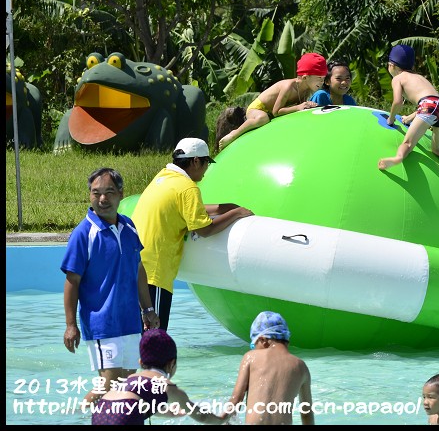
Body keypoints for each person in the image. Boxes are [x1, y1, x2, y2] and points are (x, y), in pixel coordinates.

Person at [132, 137, 254, 331]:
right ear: (196, 161)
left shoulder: (164, 178)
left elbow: (183, 208)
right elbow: (204, 230)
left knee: (137, 339)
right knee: (154, 341)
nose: (206, 169)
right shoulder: (188, 187)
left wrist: (223, 207)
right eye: (206, 162)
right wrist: (236, 213)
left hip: (135, 268)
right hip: (154, 273)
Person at [61, 167, 160, 407]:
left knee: (127, 385)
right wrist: (71, 325)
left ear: (120, 194)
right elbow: (71, 282)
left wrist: (147, 310)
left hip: (130, 321)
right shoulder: (83, 233)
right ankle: (74, 417)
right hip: (102, 324)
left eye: (109, 192)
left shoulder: (129, 227)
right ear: (90, 195)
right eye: (96, 193)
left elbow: (138, 269)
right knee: (108, 385)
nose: (102, 199)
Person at [377, 44, 439, 187]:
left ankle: (398, 158)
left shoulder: (398, 79)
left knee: (408, 143)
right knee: (438, 148)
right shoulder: (419, 77)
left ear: (392, 65)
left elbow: (398, 102)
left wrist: (391, 119)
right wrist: (409, 118)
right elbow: (432, 102)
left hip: (428, 107)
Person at [91, 328, 228, 425]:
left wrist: (168, 412)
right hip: (125, 417)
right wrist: (222, 419)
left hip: (100, 410)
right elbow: (202, 417)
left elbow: (128, 403)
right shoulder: (167, 386)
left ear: (140, 362)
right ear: (172, 364)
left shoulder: (131, 379)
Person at [217, 52, 328, 150]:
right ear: (305, 77)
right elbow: (276, 111)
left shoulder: (306, 90)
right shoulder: (288, 87)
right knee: (263, 118)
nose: (322, 81)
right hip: (258, 108)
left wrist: (307, 106)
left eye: (323, 78)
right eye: (319, 78)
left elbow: (298, 108)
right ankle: (234, 134)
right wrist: (299, 107)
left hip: (269, 113)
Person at [220, 311, 314, 425]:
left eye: (253, 345)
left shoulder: (251, 357)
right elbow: (306, 413)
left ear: (263, 340)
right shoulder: (301, 367)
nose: (254, 349)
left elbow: (235, 401)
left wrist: (222, 420)